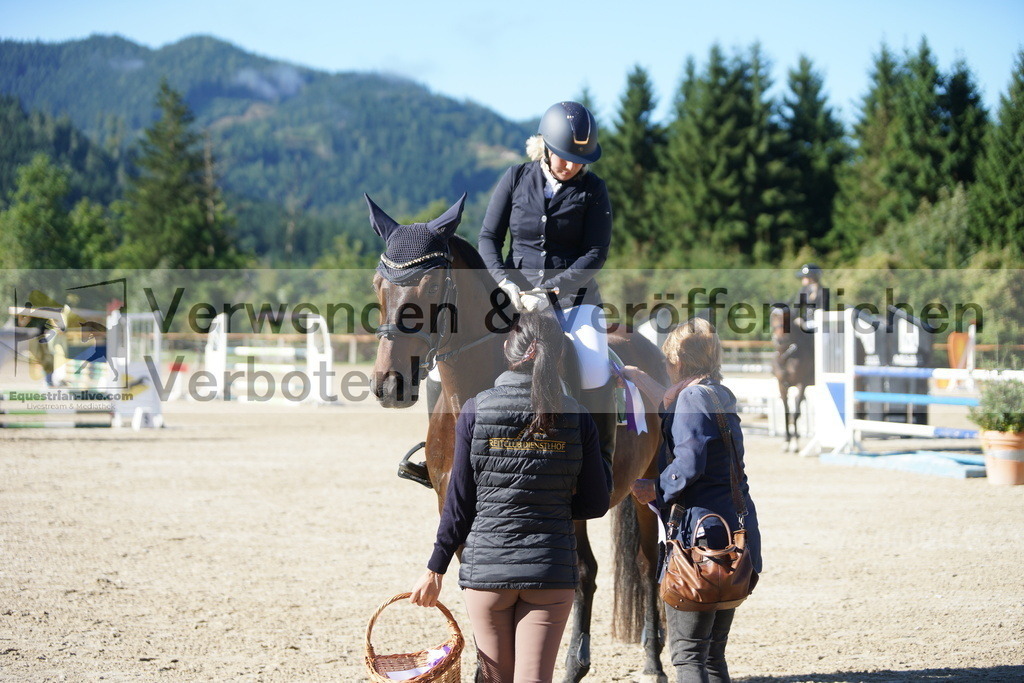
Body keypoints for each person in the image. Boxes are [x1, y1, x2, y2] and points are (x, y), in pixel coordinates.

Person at [409, 311, 610, 683]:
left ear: (507, 348)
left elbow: (459, 505)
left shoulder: (473, 409)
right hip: (549, 569)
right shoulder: (578, 415)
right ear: (558, 355)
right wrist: (555, 502)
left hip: (487, 572)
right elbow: (596, 504)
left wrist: (435, 567)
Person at [478, 100, 618, 474]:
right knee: (452, 355)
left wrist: (550, 291)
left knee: (593, 365)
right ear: (546, 147)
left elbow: (594, 254)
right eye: (564, 156)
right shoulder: (514, 178)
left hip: (574, 301)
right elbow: (488, 237)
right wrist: (505, 281)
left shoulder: (594, 191)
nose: (572, 165)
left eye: (580, 159)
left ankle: (600, 462)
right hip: (513, 297)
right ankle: (442, 450)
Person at [621, 317, 761, 683]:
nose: (666, 369)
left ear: (679, 363)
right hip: (736, 532)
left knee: (687, 656)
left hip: (704, 540)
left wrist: (656, 488)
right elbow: (677, 410)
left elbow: (689, 463)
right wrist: (639, 378)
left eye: (667, 363)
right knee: (712, 654)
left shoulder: (693, 398)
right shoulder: (717, 392)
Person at [792, 263, 829, 332]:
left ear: (813, 278)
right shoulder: (803, 290)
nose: (803, 279)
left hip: (819, 323)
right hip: (804, 322)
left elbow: (823, 308)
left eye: (805, 277)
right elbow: (796, 309)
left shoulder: (823, 291)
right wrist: (798, 318)